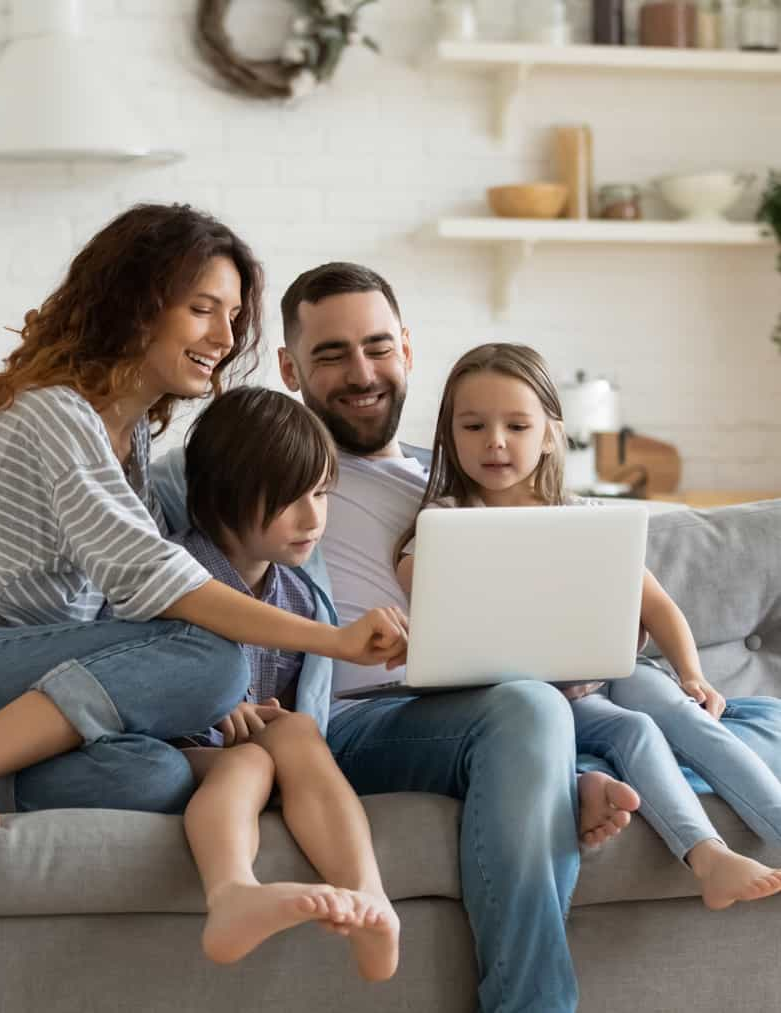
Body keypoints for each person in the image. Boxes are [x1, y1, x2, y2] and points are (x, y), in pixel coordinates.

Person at [152, 262, 643, 1013]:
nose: (361, 372)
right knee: (527, 710)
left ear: (407, 349)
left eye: (377, 347)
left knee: (561, 707)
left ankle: (556, 776)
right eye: (331, 354)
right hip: (348, 721)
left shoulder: (460, 473)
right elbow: (144, 568)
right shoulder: (251, 467)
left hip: (471, 701)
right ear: (289, 367)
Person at [0, 206, 407, 829]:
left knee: (156, 775)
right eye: (203, 308)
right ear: (136, 305)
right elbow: (157, 581)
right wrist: (335, 640)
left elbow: (126, 614)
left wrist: (191, 699)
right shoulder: (55, 415)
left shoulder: (132, 440)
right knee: (215, 660)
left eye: (233, 316)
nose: (224, 338)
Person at [393, 341, 781, 912]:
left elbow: (660, 608)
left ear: (549, 433)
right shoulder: (445, 526)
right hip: (540, 698)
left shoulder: (585, 517)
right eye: (473, 426)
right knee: (636, 732)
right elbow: (423, 593)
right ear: (449, 435)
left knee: (679, 711)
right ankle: (708, 856)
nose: (494, 441)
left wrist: (693, 674)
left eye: (516, 425)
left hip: (612, 669)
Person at [170, 386, 399, 981]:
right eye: (289, 499)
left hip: (263, 751)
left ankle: (371, 899)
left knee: (294, 734)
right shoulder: (173, 577)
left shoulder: (298, 595)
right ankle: (234, 892)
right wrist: (212, 707)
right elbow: (137, 676)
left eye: (321, 493)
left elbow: (297, 707)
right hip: (178, 748)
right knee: (251, 764)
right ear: (223, 498)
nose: (314, 517)